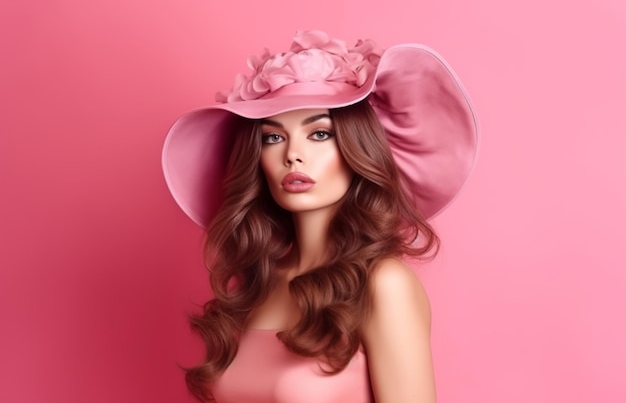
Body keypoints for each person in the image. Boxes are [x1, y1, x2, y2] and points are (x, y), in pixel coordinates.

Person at [162, 30, 478, 403]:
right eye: (273, 138)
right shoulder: (257, 284)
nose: (294, 155)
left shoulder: (382, 285)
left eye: (319, 134)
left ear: (356, 148)